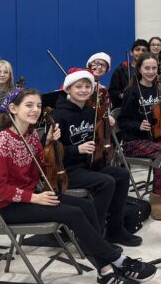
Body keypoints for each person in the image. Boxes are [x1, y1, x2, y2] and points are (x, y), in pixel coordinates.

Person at [0, 88, 156, 284]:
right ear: (13, 109)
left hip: (34, 197)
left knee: (85, 205)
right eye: (29, 105)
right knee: (73, 213)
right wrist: (36, 197)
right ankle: (117, 260)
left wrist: (49, 143)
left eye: (38, 106)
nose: (35, 110)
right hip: (9, 206)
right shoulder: (2, 142)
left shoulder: (30, 136)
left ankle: (105, 273)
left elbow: (41, 165)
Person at [52, 68, 140, 247]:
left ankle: (115, 229)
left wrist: (107, 123)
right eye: (79, 86)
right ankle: (95, 236)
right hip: (68, 170)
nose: (84, 90)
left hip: (89, 164)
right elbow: (53, 153)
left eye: (87, 86)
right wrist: (77, 150)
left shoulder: (91, 111)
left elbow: (100, 136)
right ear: (68, 89)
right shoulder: (58, 115)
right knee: (106, 182)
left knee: (122, 175)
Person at [118, 53, 161, 220]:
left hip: (154, 138)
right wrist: (138, 125)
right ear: (139, 69)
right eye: (146, 68)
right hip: (134, 141)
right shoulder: (132, 92)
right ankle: (156, 198)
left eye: (153, 68)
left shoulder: (158, 89)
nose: (150, 71)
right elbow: (122, 120)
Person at [109, 39, 149, 107]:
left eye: (143, 50)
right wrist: (123, 95)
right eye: (137, 49)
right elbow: (113, 91)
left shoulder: (150, 71)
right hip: (125, 108)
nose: (140, 52)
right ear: (131, 53)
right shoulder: (121, 70)